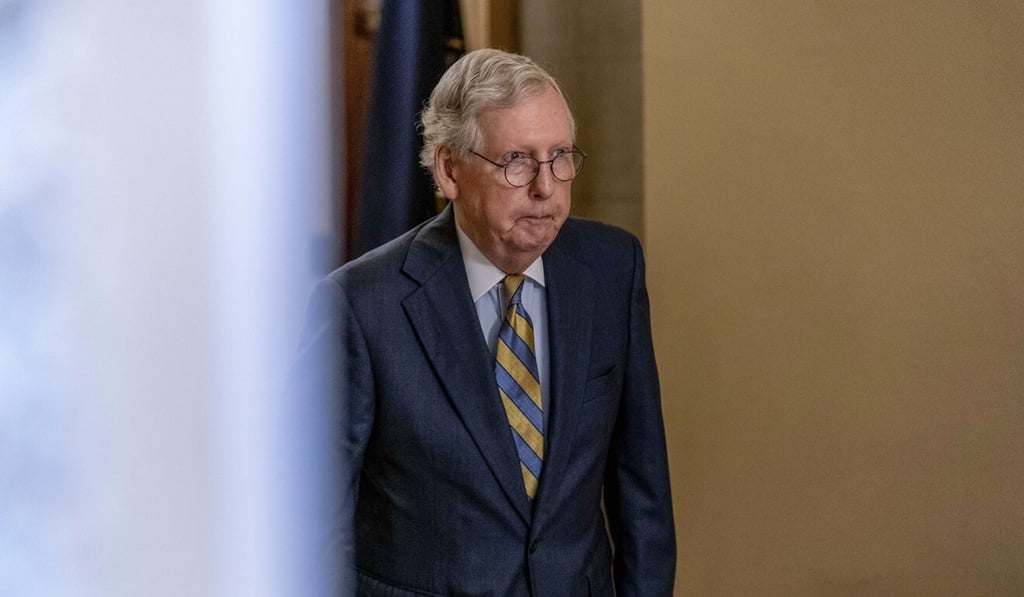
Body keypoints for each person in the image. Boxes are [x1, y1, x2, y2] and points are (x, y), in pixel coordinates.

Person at [293, 48, 675, 596]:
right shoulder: (359, 305)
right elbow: (306, 528)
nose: (546, 187)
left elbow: (644, 493)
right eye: (517, 160)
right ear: (450, 169)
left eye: (559, 156)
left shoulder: (612, 268)